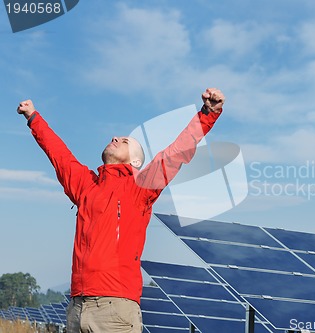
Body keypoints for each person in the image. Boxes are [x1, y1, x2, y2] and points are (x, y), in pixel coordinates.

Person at [17, 88, 225, 333]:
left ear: (135, 162)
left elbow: (175, 153)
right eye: (116, 137)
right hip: (77, 307)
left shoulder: (141, 188)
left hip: (115, 309)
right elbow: (59, 155)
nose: (115, 137)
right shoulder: (86, 185)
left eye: (125, 141)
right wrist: (33, 117)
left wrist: (207, 114)